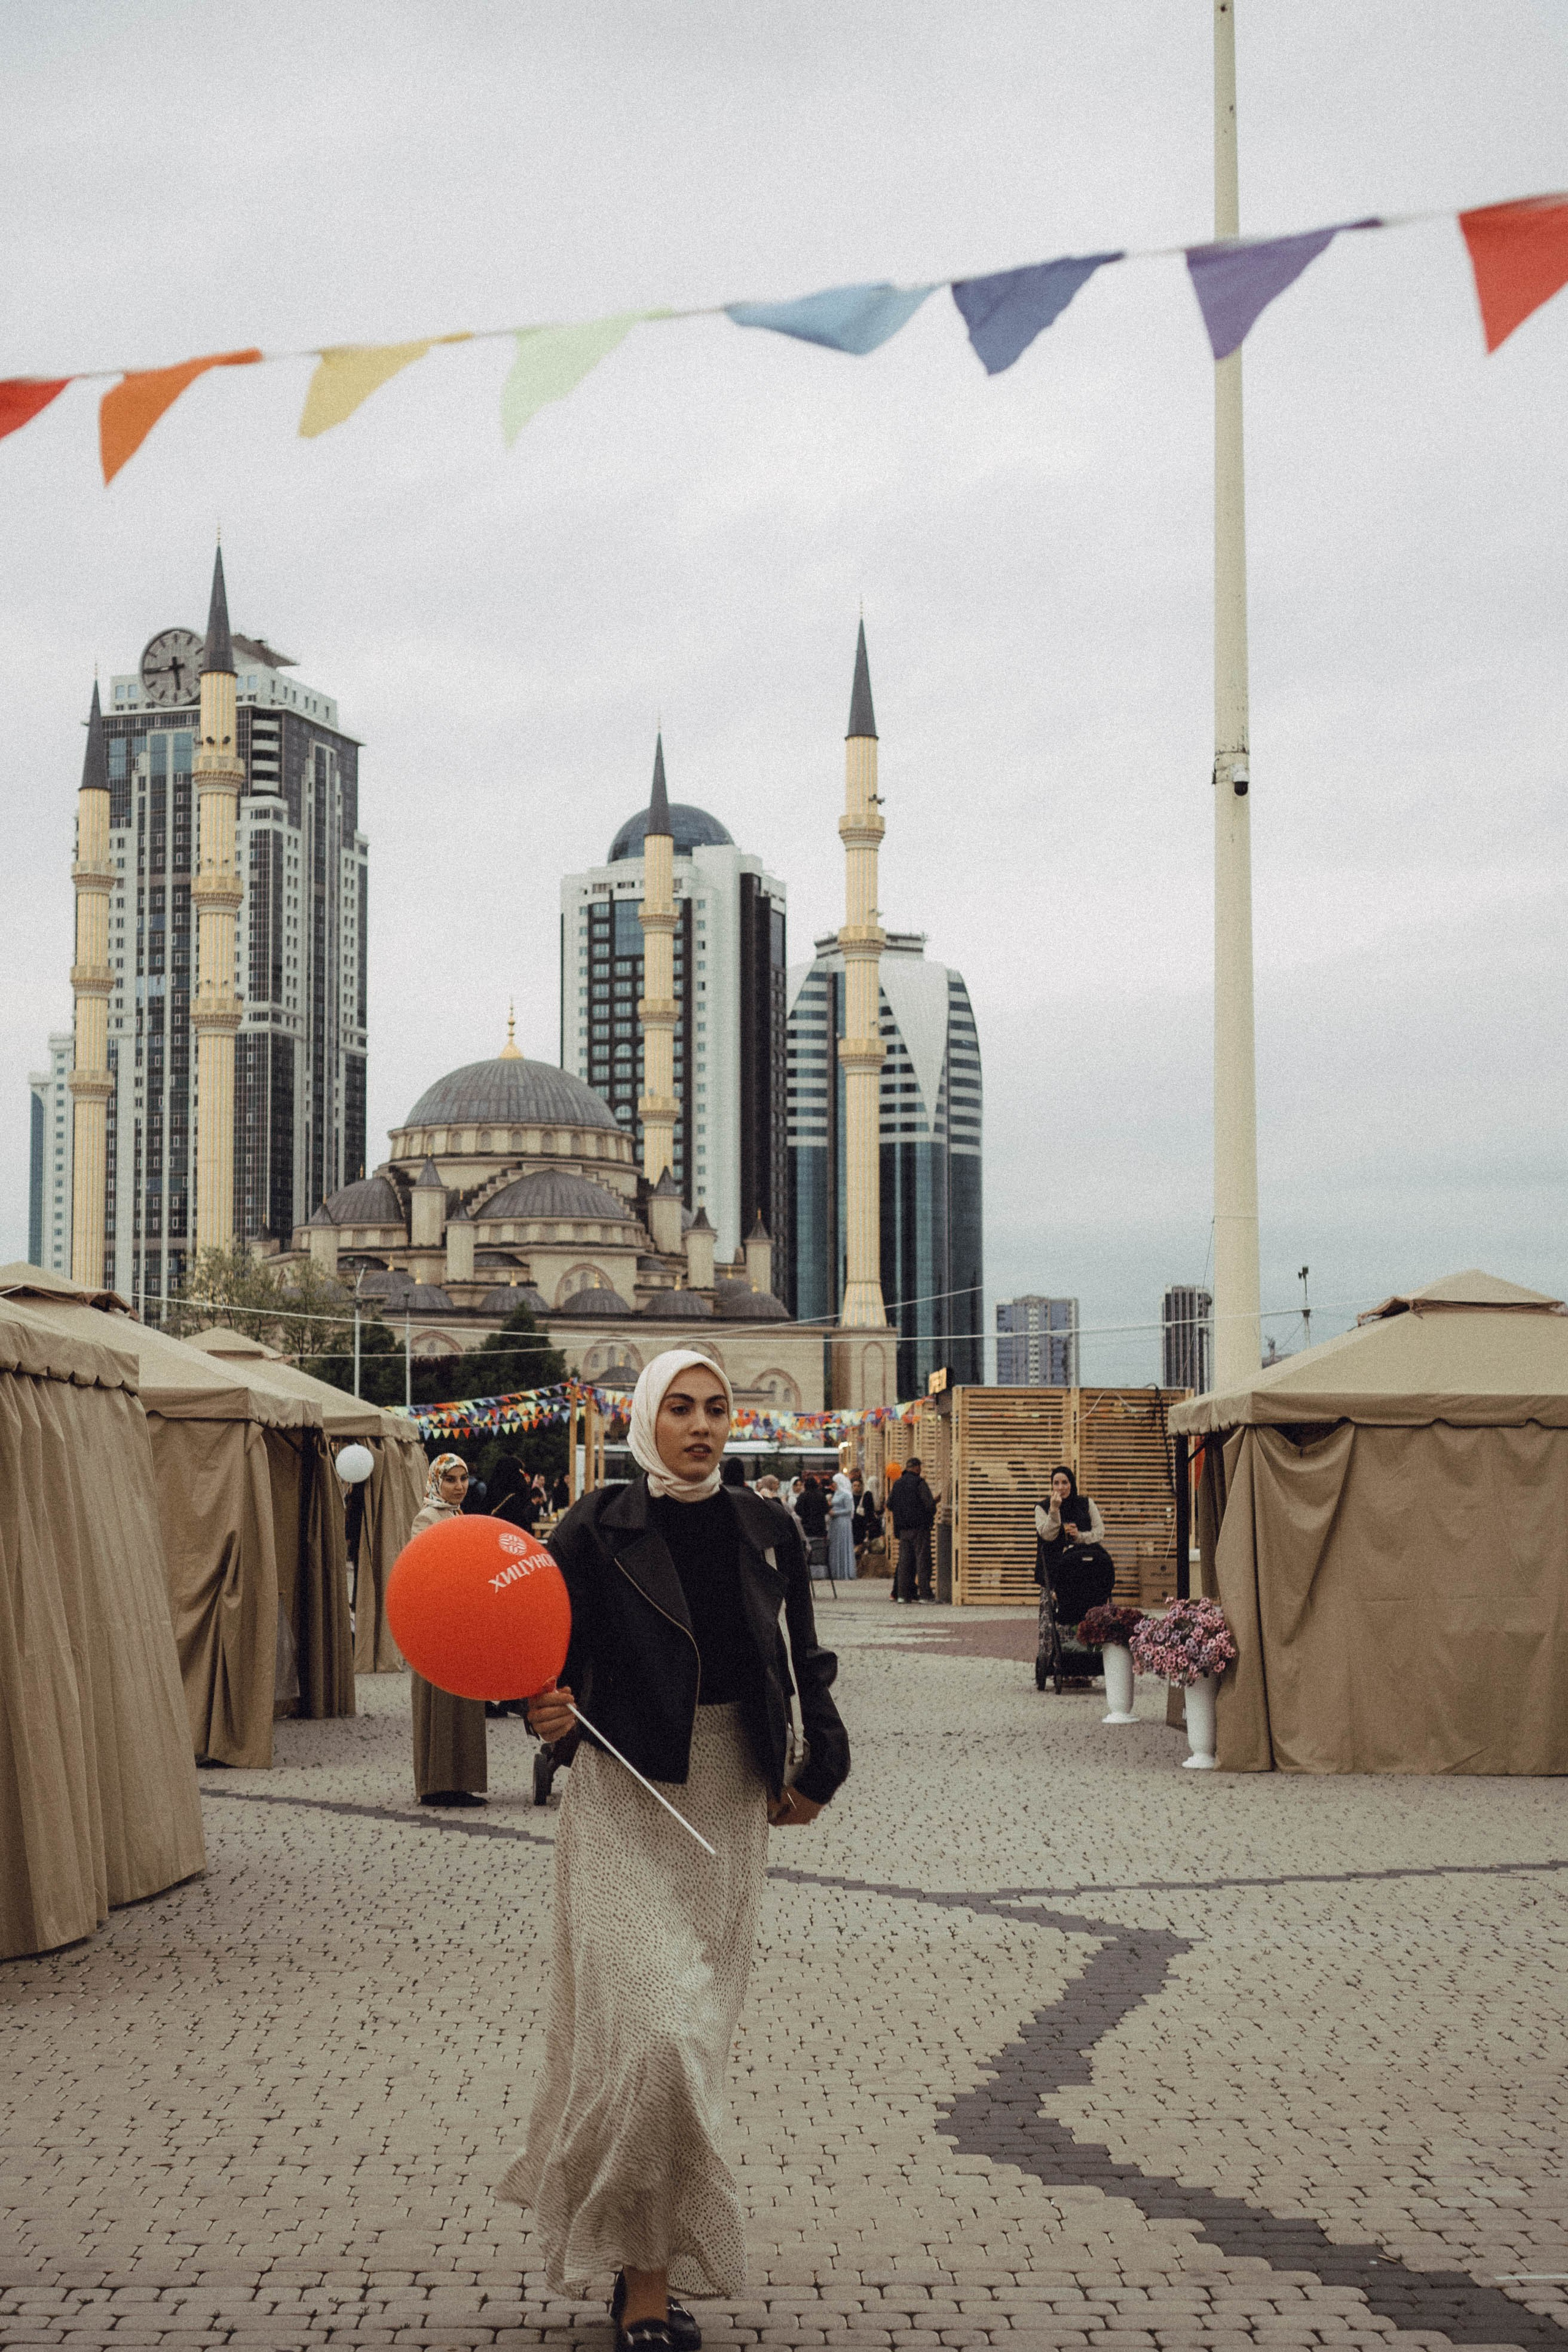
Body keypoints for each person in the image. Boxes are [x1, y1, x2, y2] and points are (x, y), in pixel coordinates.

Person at [503, 1348, 850, 2351]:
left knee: (686, 2046)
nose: (701, 1425)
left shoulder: (767, 1526)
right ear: (646, 1418)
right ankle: (644, 2276)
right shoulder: (593, 1527)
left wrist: (820, 1765)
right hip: (623, 1790)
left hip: (729, 1794)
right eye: (681, 1408)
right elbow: (542, 1661)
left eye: (717, 1408)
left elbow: (808, 1660)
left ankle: (642, 2263)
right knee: (654, 2036)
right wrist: (542, 1709)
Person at [409, 1454, 488, 1806]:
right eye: (451, 1480)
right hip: (438, 1626)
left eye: (463, 1479)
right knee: (440, 1705)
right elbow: (426, 1567)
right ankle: (438, 1784)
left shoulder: (456, 1516)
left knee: (463, 1704)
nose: (459, 1487)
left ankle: (460, 1782)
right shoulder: (428, 1518)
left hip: (462, 1623)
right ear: (435, 1482)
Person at [1033, 1466, 1115, 1691]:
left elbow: (1099, 1532)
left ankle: (1087, 1665)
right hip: (1056, 1573)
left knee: (1087, 1612)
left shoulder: (1086, 1504)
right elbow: (1047, 1534)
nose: (1061, 1487)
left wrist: (1079, 1537)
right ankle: (1056, 1662)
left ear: (1072, 1483)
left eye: (1065, 1482)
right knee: (1056, 1616)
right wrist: (1055, 1511)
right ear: (1052, 1486)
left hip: (1085, 1572)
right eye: (1056, 1483)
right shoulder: (1043, 1507)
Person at [887, 1456, 937, 1603]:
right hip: (920, 1528)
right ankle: (925, 1595)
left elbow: (889, 1504)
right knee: (922, 1561)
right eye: (919, 1467)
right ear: (916, 1468)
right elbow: (929, 1505)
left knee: (904, 1563)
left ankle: (903, 1595)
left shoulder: (898, 1484)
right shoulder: (919, 1483)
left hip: (903, 1530)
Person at [793, 1472, 829, 1575]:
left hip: (807, 1528)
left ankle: (809, 1573)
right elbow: (826, 1510)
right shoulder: (821, 1496)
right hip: (820, 1528)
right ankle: (821, 1573)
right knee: (820, 1551)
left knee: (809, 1550)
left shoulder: (803, 1496)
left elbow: (797, 1510)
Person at [827, 1471, 857, 1581]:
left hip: (843, 1522)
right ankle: (836, 1571)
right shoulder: (837, 1493)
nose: (833, 1484)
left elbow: (849, 1510)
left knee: (843, 1544)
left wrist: (836, 1513)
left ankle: (845, 1571)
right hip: (835, 1523)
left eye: (835, 1482)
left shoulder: (847, 1495)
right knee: (836, 1545)